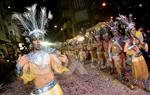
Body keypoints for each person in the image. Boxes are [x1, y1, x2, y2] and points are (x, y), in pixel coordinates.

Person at [13, 4, 70, 95]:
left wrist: (65, 61)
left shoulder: (49, 53)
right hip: (40, 92)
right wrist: (18, 67)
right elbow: (20, 79)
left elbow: (61, 68)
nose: (38, 41)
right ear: (31, 41)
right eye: (35, 39)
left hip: (55, 88)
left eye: (40, 39)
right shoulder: (27, 58)